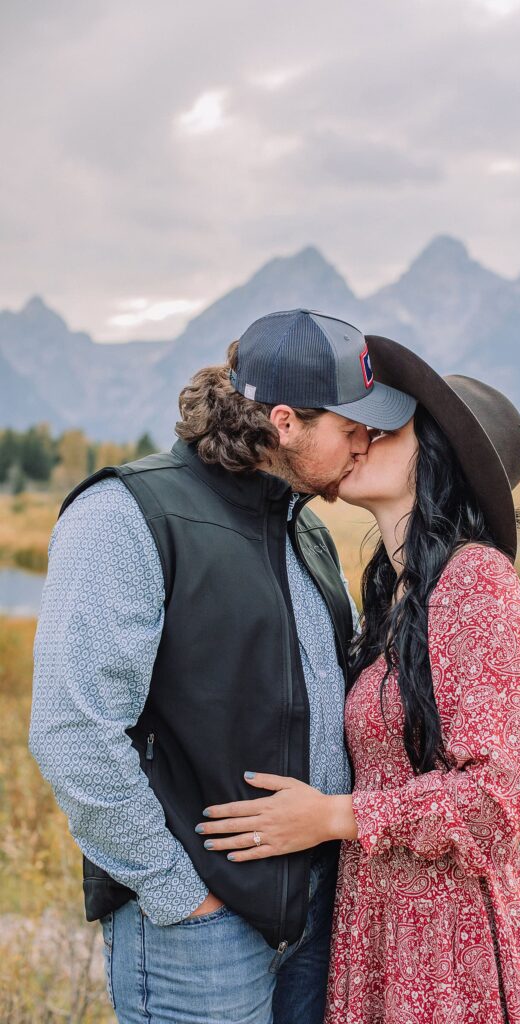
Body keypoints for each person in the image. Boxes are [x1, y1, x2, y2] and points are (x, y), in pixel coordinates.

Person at [29, 310, 416, 1024]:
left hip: (309, 918)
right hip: (198, 938)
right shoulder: (125, 514)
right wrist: (181, 895)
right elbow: (72, 732)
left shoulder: (304, 529)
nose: (366, 442)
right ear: (285, 423)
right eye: (351, 425)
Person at [196, 335, 520, 1023]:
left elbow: (500, 792)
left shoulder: (476, 584)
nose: (359, 437)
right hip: (382, 935)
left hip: (450, 953)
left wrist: (334, 816)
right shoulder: (396, 597)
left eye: (386, 428)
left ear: (435, 458)